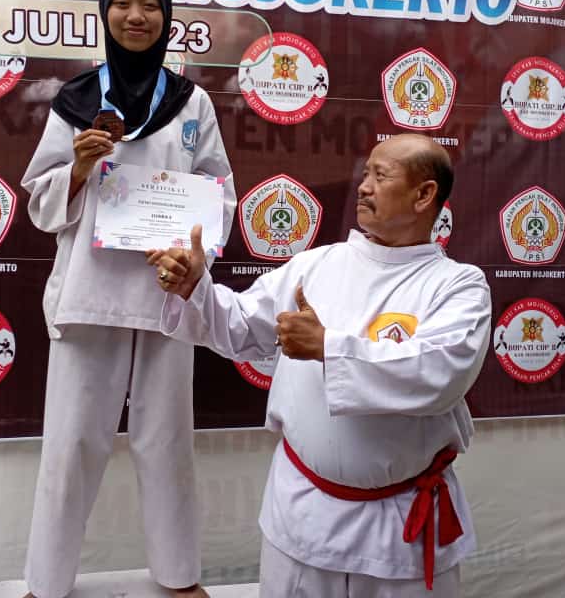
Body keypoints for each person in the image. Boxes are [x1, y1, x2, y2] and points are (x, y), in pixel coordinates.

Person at [148, 133, 492, 597]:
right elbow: (242, 326)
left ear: (424, 194)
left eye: (381, 175)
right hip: (303, 517)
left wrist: (329, 346)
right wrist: (197, 288)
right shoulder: (316, 266)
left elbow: (441, 371)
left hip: (399, 530)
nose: (364, 186)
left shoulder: (458, 286)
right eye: (365, 173)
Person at [21, 0, 236, 598]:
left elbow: (219, 192)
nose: (136, 16)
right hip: (89, 296)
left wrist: (193, 256)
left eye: (150, 4)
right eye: (123, 3)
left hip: (166, 295)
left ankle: (178, 577)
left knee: (167, 441)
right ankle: (46, 583)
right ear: (105, 12)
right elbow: (39, 199)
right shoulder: (77, 101)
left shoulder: (192, 101)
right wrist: (80, 169)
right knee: (71, 445)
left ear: (167, 17)